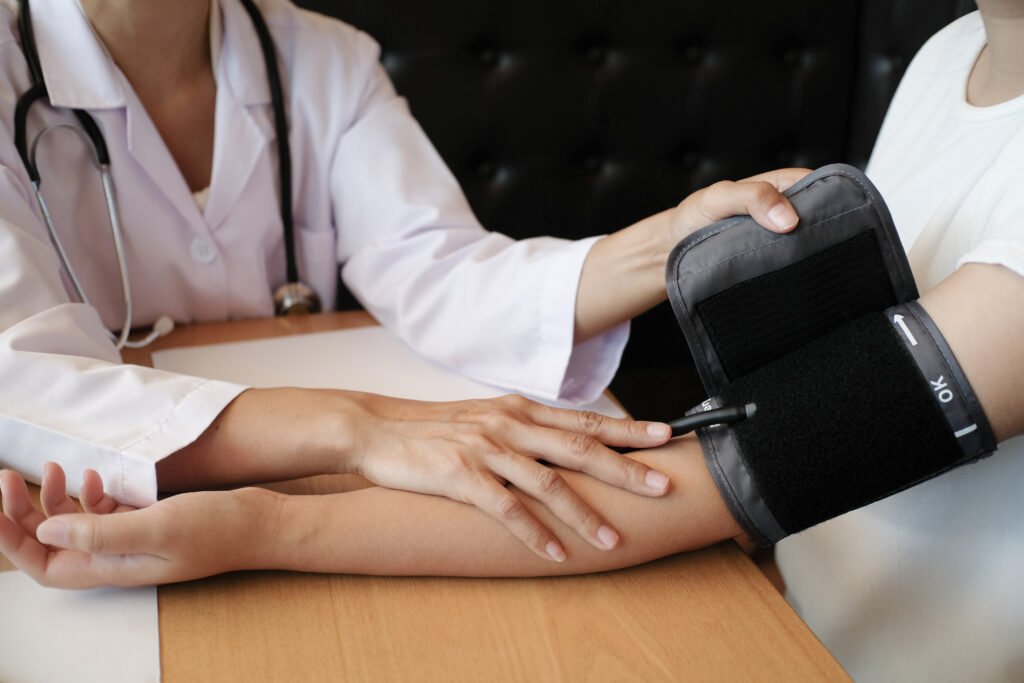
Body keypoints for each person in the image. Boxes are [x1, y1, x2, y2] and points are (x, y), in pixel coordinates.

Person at [4, 2, 1023, 681]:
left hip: (886, 648)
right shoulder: (950, 57)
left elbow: (754, 465)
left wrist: (260, 528)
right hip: (791, 585)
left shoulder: (315, 57)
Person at [0, 0, 805, 561]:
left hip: (306, 502)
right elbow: (18, 373)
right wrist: (360, 428)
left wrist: (668, 241)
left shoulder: (322, 58)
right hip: (86, 509)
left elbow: (438, 268)